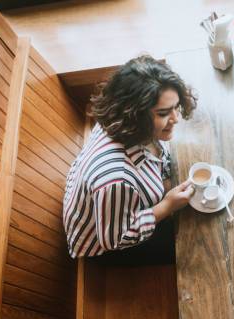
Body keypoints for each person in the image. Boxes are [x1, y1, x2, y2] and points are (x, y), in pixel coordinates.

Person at [63, 55, 197, 265]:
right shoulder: (117, 180)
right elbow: (116, 239)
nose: (176, 118)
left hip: (109, 205)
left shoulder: (120, 120)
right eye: (163, 113)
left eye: (176, 106)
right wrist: (167, 206)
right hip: (106, 245)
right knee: (194, 242)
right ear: (135, 114)